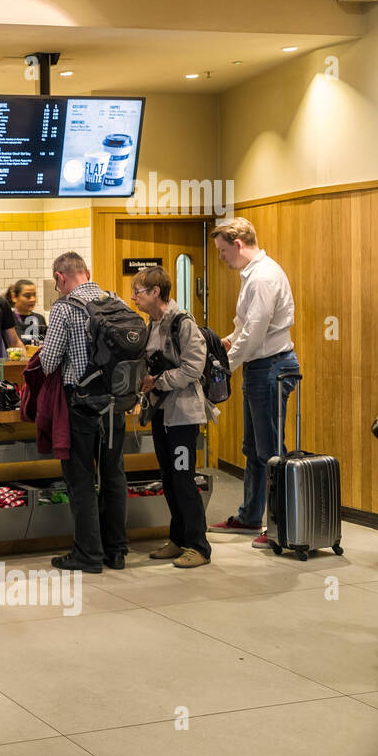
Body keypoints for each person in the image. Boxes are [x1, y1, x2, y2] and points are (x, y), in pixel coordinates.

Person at [207, 218, 298, 548]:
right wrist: (225, 342)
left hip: (271, 367)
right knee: (254, 450)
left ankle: (282, 526)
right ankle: (250, 517)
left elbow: (256, 333)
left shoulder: (262, 277)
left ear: (238, 244)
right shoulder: (254, 275)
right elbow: (245, 327)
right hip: (260, 367)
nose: (221, 257)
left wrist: (223, 368)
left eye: (222, 251)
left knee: (271, 452)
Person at [39, 252, 128, 573]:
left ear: (60, 278)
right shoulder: (116, 301)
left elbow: (48, 363)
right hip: (117, 405)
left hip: (81, 406)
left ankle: (88, 554)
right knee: (114, 476)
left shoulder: (64, 308)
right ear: (87, 272)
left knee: (81, 481)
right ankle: (116, 551)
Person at [130, 266, 217, 569]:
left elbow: (193, 367)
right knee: (168, 478)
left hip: (182, 416)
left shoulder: (183, 323)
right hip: (160, 412)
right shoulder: (151, 324)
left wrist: (160, 381)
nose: (133, 298)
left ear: (156, 292)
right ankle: (178, 538)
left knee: (183, 479)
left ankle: (199, 546)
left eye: (138, 292)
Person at [8, 279, 47, 345]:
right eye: (27, 296)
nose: (32, 299)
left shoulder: (40, 318)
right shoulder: (8, 319)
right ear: (14, 297)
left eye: (34, 295)